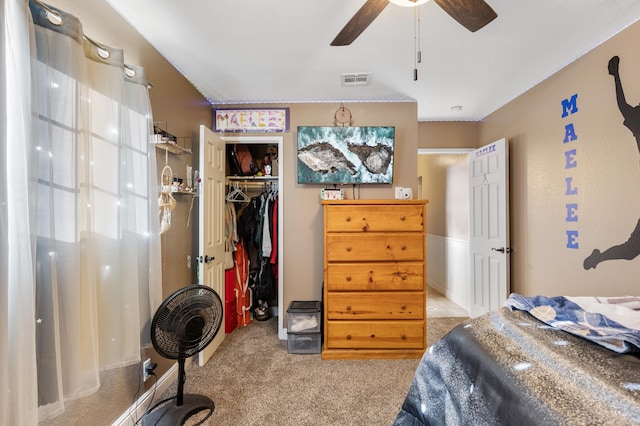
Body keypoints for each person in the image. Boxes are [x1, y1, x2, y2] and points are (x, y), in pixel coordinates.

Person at [584, 56, 640, 269]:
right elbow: (623, 105)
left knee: (630, 251)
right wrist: (615, 75)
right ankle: (598, 257)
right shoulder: (638, 120)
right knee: (630, 251)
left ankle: (598, 257)